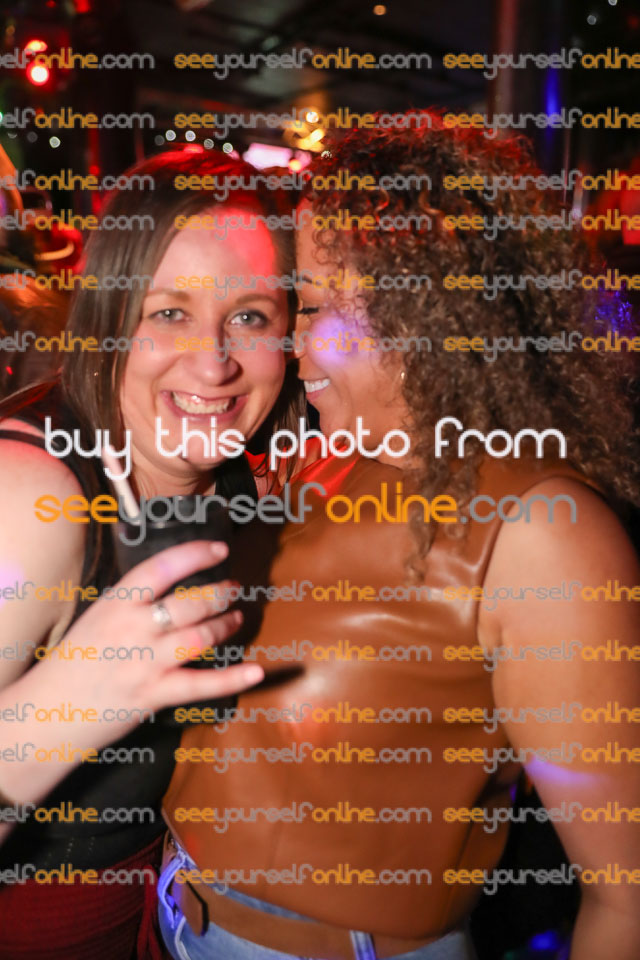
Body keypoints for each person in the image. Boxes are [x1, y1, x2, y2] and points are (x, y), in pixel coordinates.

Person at [159, 115, 640, 960]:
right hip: (174, 918)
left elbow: (625, 895)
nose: (290, 341)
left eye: (313, 306)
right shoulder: (321, 459)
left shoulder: (542, 535)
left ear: (424, 313)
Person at [0, 147, 303, 959]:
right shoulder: (29, 501)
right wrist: (45, 719)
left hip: (169, 910)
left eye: (250, 316)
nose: (214, 362)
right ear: (107, 316)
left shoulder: (240, 470)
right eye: (169, 312)